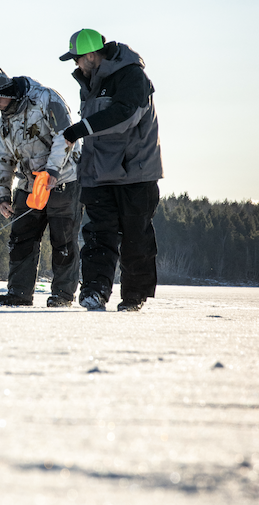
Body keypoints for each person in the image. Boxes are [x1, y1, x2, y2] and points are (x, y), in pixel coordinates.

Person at [59, 29, 163, 312]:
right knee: (97, 236)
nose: (76, 65)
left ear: (91, 55)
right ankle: (94, 292)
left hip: (134, 173)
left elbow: (125, 115)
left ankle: (133, 297)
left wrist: (80, 129)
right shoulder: (90, 81)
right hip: (98, 174)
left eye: (77, 59)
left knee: (135, 236)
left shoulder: (132, 77)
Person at [0, 67, 82, 307]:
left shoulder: (46, 98)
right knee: (21, 238)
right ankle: (18, 292)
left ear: (7, 91)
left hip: (63, 182)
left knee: (63, 239)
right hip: (28, 186)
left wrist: (52, 171)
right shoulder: (5, 120)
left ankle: (62, 295)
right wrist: (2, 196)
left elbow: (66, 136)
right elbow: (3, 158)